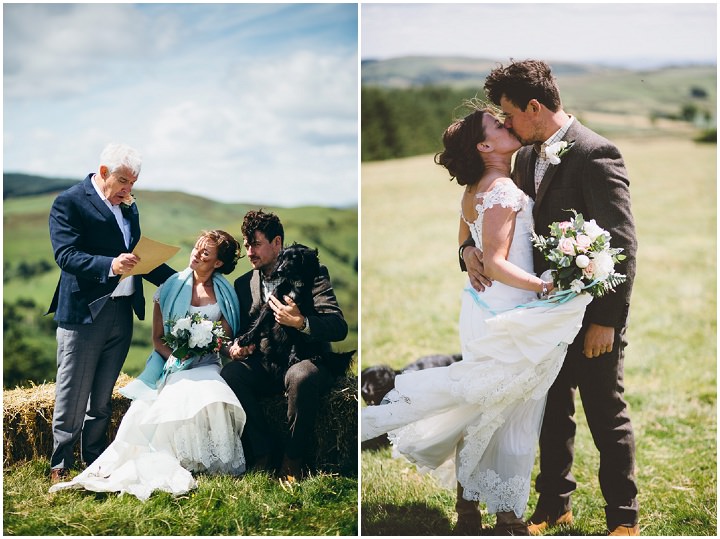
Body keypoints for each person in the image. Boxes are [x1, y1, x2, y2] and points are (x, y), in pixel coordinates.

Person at [362, 101, 594, 536]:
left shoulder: (475, 187)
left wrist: (467, 252)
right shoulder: (503, 188)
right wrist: (543, 287)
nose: (507, 124)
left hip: (481, 308)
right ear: (485, 145)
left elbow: (467, 240)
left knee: (483, 405)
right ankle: (507, 514)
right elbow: (497, 262)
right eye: (497, 124)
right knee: (512, 411)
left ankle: (468, 508)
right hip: (509, 312)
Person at [464, 59, 639, 536]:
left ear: (534, 107)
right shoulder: (522, 158)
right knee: (551, 411)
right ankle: (553, 505)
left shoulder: (596, 153)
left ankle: (623, 518)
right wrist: (467, 249)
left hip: (589, 313)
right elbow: (496, 222)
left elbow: (622, 244)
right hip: (538, 314)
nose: (507, 123)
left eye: (509, 114)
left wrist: (606, 319)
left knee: (606, 412)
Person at [50, 230, 247, 500]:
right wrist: (177, 358)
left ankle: (202, 459)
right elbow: (158, 340)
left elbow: (223, 340)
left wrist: (230, 350)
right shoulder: (170, 286)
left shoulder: (226, 294)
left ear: (218, 263)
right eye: (197, 247)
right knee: (174, 391)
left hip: (206, 364)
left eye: (205, 253)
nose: (196, 254)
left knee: (211, 391)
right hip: (172, 362)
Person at [47, 143, 176, 483]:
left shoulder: (129, 208)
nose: (127, 190)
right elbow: (66, 255)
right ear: (103, 173)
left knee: (102, 396)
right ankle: (59, 464)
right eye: (122, 181)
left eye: (132, 183)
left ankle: (96, 457)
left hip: (122, 310)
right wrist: (111, 265)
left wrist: (183, 279)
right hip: (84, 313)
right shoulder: (69, 202)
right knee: (72, 393)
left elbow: (138, 258)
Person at [221, 210, 349, 482]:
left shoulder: (312, 272)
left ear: (277, 242)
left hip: (305, 358)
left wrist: (301, 322)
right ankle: (263, 452)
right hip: (267, 364)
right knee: (230, 375)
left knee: (301, 377)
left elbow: (338, 326)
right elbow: (242, 332)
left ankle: (293, 460)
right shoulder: (243, 284)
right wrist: (237, 348)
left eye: (255, 244)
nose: (249, 251)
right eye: (246, 245)